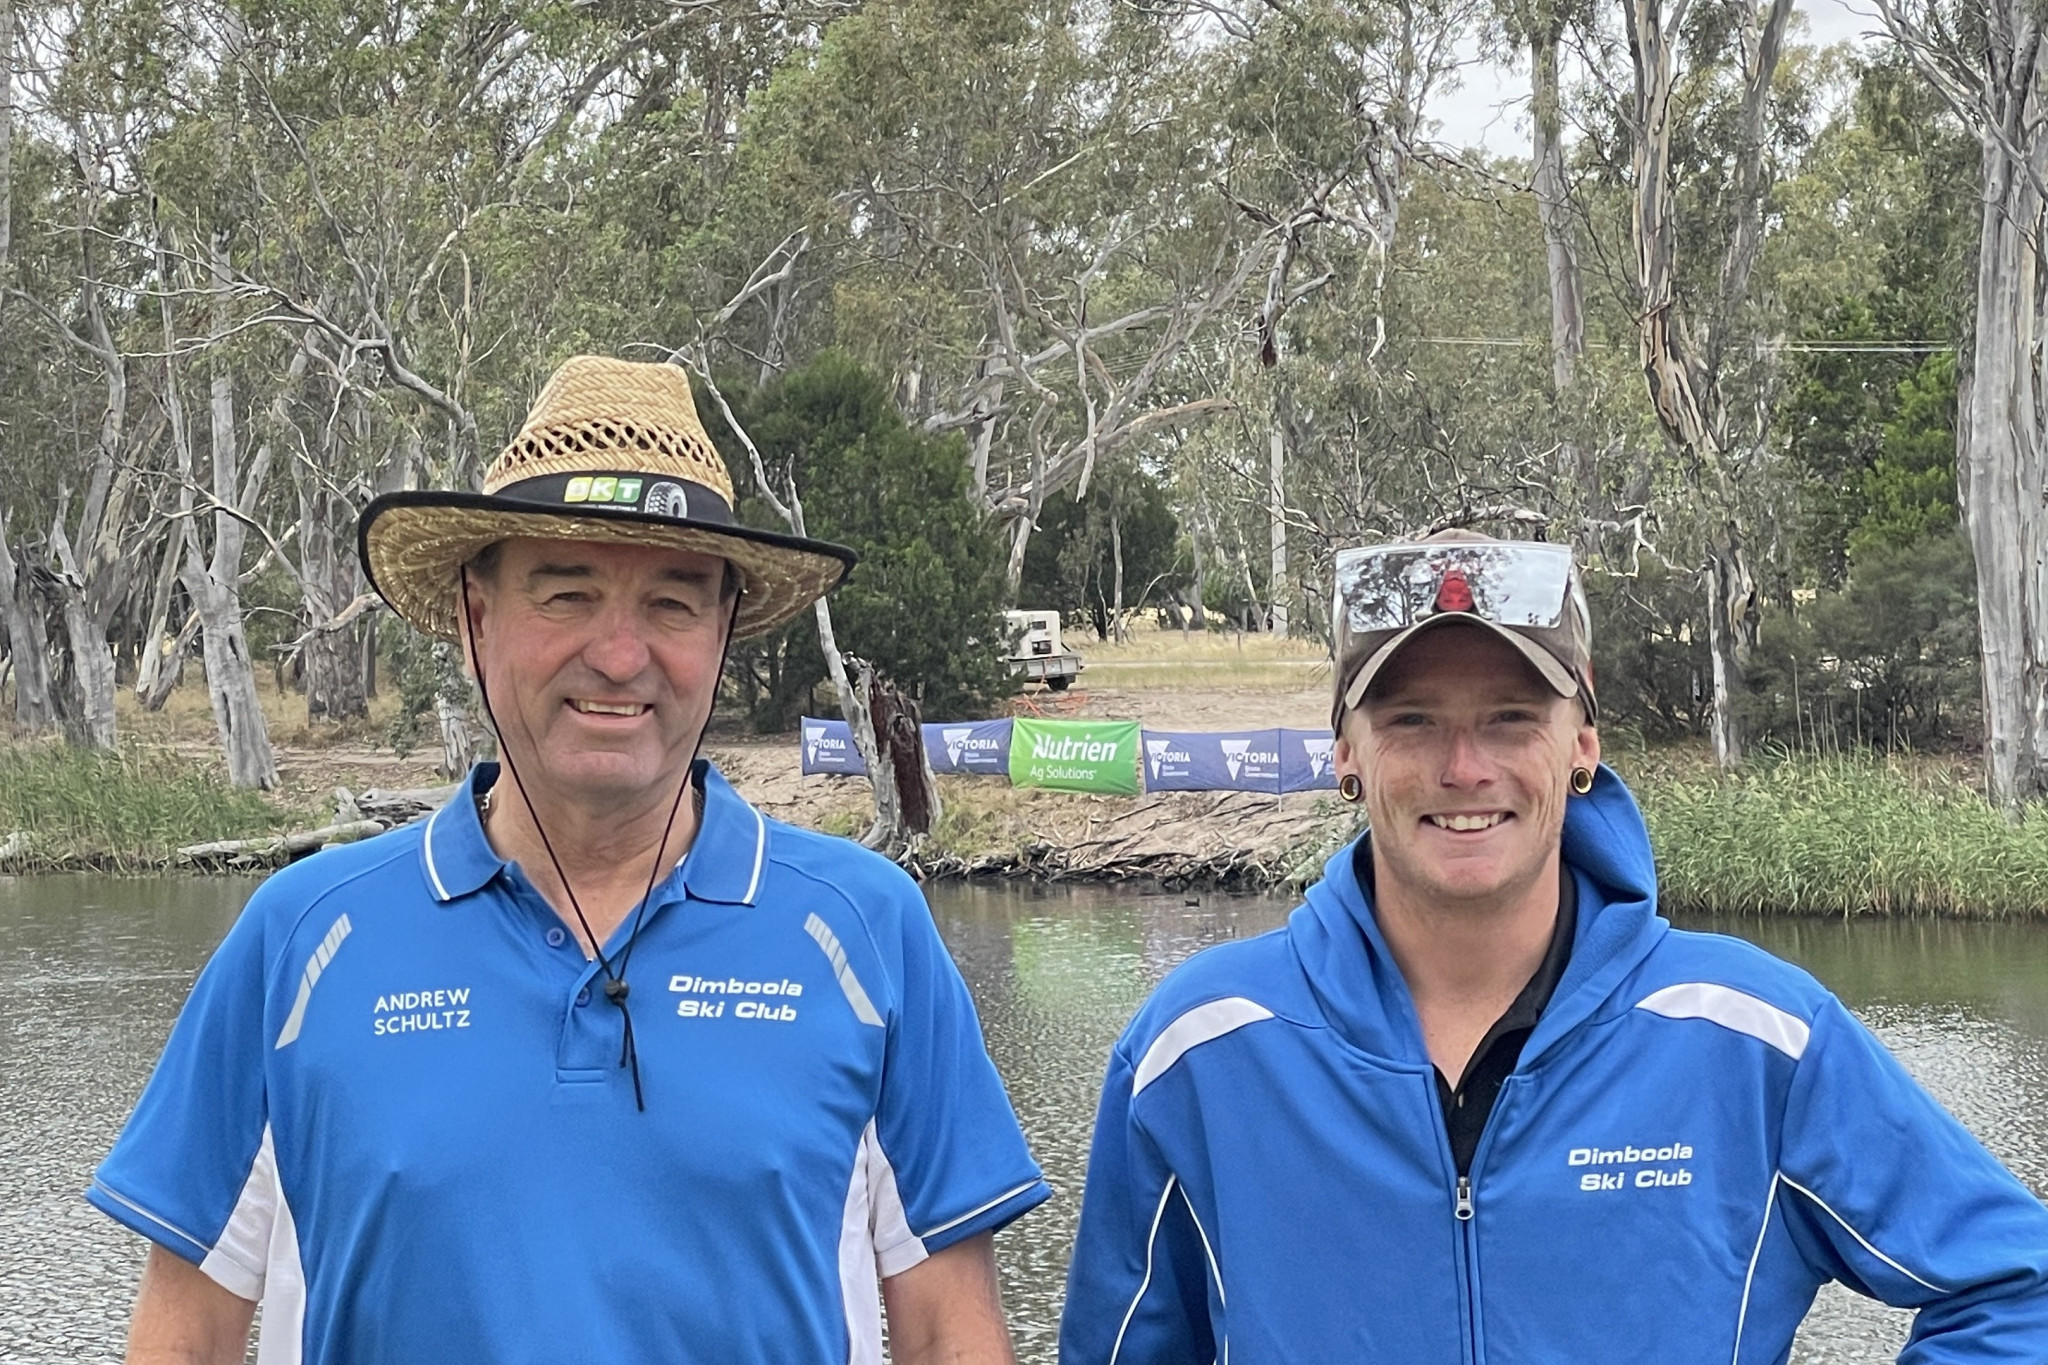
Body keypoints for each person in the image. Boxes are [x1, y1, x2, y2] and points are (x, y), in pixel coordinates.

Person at [89, 356, 1050, 1365]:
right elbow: (182, 1336)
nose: (620, 654)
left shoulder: (866, 931)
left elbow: (950, 1334)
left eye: (672, 605)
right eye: (567, 594)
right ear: (474, 618)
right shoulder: (300, 939)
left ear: (723, 631)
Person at [1059, 529, 2048, 1364]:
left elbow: (2014, 1287)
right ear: (1344, 755)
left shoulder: (1752, 1040)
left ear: (1580, 744)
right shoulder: (1196, 1053)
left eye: (1510, 719)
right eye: (1410, 721)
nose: (1461, 767)